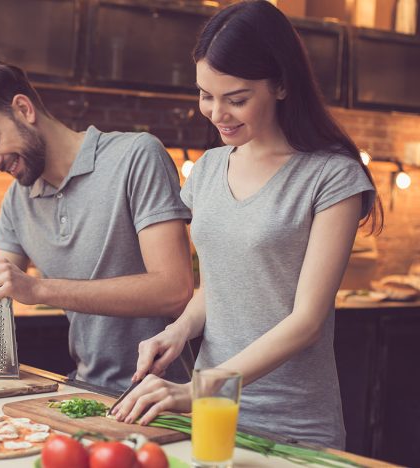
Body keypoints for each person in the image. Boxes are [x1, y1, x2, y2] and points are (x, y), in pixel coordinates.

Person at [111, 0, 383, 449]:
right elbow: (219, 286)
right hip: (212, 415)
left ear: (280, 85)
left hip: (292, 424)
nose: (218, 113)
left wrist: (197, 390)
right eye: (205, 95)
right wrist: (177, 330)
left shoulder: (332, 177)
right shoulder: (208, 169)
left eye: (236, 99)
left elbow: (307, 320)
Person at [0, 62, 195, 392]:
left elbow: (174, 291)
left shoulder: (135, 156)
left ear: (24, 109)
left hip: (163, 395)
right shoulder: (16, 202)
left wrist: (38, 289)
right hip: (84, 390)